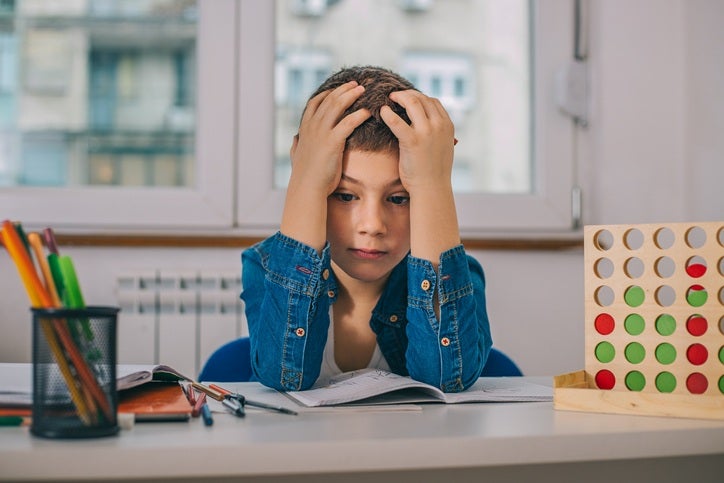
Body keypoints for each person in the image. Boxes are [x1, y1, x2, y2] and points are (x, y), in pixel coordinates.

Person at [241, 65, 491, 392]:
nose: (372, 226)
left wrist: (433, 183)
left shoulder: (461, 277)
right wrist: (306, 181)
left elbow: (446, 378)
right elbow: (284, 375)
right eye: (345, 195)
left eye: (399, 198)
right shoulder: (266, 264)